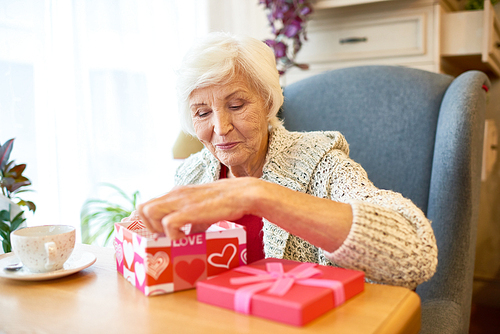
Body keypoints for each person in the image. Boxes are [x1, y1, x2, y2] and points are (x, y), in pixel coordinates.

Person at [134, 32, 437, 290]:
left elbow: (416, 252)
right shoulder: (193, 172)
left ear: (267, 101)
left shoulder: (319, 162)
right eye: (202, 113)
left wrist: (257, 195)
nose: (221, 127)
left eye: (236, 105)